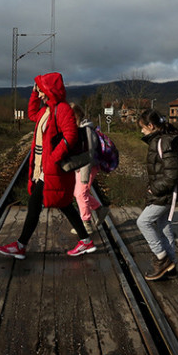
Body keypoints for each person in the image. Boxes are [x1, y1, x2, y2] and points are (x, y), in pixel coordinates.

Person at [0, 72, 93, 259]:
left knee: (35, 204)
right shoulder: (47, 109)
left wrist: (54, 158)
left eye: (40, 91)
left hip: (51, 169)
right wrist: (33, 93)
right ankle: (86, 241)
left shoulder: (62, 109)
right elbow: (32, 114)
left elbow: (70, 136)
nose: (39, 94)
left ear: (49, 90)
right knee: (65, 204)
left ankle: (20, 245)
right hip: (42, 167)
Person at [135, 109, 178, 281]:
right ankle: (172, 267)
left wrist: (154, 189)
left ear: (151, 126)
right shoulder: (161, 140)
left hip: (165, 193)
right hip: (166, 193)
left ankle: (162, 258)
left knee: (143, 222)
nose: (141, 131)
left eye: (143, 128)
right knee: (164, 227)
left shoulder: (163, 142)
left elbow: (171, 175)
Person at [68, 104, 110, 252]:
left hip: (88, 167)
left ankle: (86, 223)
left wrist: (84, 175)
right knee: (77, 193)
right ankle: (99, 209)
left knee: (80, 193)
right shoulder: (80, 129)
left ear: (76, 116)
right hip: (81, 167)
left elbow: (90, 155)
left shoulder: (87, 131)